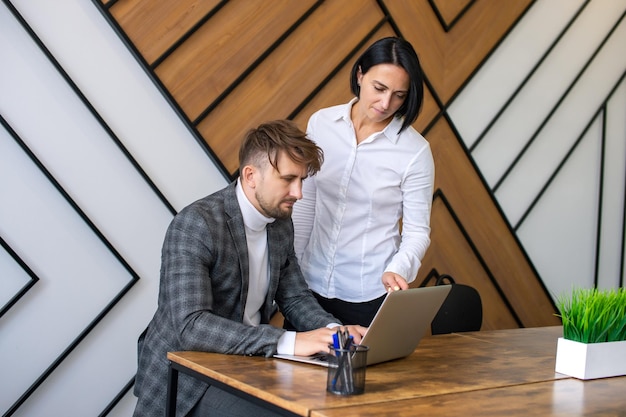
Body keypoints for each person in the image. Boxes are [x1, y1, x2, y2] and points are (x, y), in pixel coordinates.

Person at [132, 120, 367, 417]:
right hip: (189, 373)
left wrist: (335, 333)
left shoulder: (281, 223)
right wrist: (288, 341)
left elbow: (295, 297)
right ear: (250, 175)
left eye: (302, 180)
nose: (299, 193)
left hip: (249, 361)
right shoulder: (196, 225)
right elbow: (191, 326)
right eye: (288, 179)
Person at [290, 37, 434, 327]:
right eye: (379, 88)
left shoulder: (415, 152)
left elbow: (418, 232)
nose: (385, 103)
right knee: (292, 372)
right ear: (360, 75)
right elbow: (307, 202)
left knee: (357, 373)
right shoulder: (321, 124)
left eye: (399, 95)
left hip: (369, 293)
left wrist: (398, 270)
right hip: (310, 286)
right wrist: (291, 268)